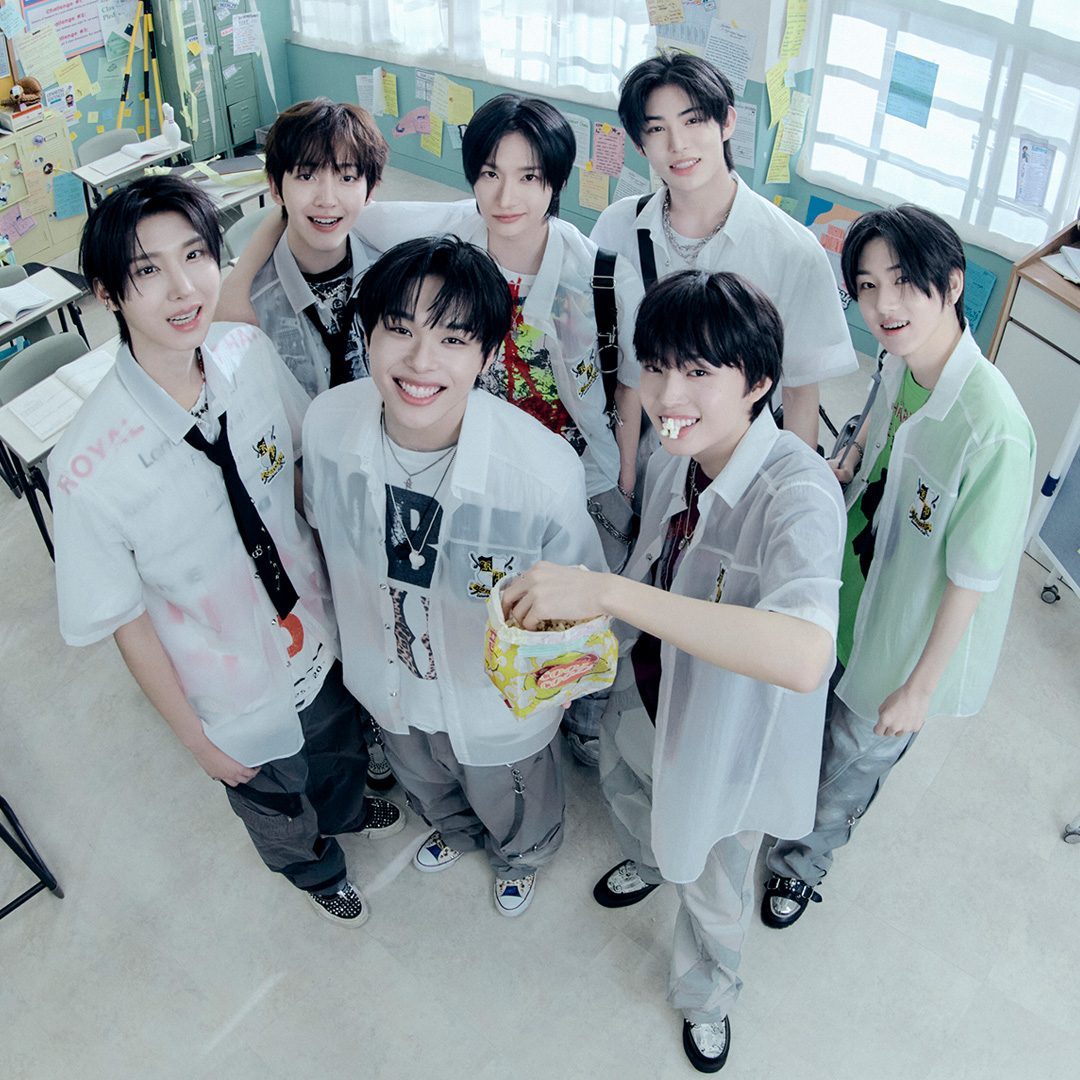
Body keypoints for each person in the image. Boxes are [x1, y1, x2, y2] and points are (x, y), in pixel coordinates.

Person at [501, 270, 845, 1071]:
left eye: (697, 371)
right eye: (656, 367)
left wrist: (607, 591)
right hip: (645, 689)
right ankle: (654, 859)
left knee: (715, 886)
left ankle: (708, 995)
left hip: (725, 735)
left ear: (759, 383)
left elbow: (802, 654)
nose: (666, 394)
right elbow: (654, 572)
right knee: (629, 788)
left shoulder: (797, 491)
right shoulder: (672, 455)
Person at [49, 176, 403, 928]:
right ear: (107, 294)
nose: (183, 289)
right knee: (274, 797)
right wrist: (195, 741)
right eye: (148, 270)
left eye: (195, 255)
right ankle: (315, 868)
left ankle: (344, 813)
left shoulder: (246, 351)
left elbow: (298, 472)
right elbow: (127, 623)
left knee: (335, 744)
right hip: (227, 682)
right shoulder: (86, 467)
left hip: (314, 630)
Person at [302, 235, 605, 918]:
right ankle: (458, 832)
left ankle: (522, 855)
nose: (420, 361)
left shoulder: (542, 472)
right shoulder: (326, 425)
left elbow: (581, 603)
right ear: (368, 334)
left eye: (452, 340)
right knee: (425, 780)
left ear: (488, 355)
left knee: (514, 795)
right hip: (387, 680)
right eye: (399, 330)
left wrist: (561, 689)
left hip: (492, 700)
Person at [761, 205, 1036, 929]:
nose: (885, 305)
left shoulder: (994, 428)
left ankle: (800, 866)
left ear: (952, 285)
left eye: (905, 282)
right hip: (846, 587)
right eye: (868, 285)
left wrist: (919, 689)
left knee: (848, 767)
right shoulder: (896, 360)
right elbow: (871, 434)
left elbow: (974, 577)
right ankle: (778, 812)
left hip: (902, 638)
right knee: (807, 725)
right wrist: (846, 460)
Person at [590, 50, 858, 449]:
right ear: (639, 145)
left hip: (738, 456)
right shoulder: (617, 228)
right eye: (657, 129)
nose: (678, 144)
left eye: (693, 120)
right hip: (642, 445)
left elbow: (800, 393)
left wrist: (789, 481)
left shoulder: (793, 251)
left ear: (727, 122)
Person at [217, 97, 388, 398]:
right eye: (307, 176)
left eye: (347, 177)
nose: (327, 200)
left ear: (370, 190)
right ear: (275, 188)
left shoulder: (391, 277)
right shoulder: (248, 305)